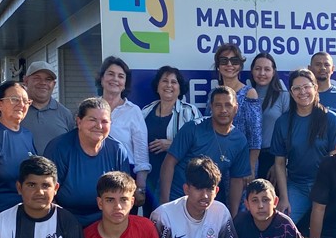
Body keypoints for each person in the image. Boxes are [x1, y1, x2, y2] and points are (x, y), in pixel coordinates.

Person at [44, 97, 133, 227]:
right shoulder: (59, 148)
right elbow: (47, 192)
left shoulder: (117, 150)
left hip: (107, 224)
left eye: (104, 121)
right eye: (92, 120)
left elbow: (125, 194)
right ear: (79, 121)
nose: (99, 126)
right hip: (65, 222)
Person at [161, 87, 250, 214]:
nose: (223, 110)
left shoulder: (240, 140)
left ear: (236, 108)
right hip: (178, 200)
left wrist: (233, 215)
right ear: (211, 107)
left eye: (228, 105)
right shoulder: (193, 128)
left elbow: (236, 180)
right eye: (218, 105)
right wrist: (165, 204)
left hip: (207, 204)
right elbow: (169, 163)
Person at [271, 69, 336, 229]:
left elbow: (334, 158)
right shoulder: (283, 122)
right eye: (296, 88)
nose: (302, 92)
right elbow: (279, 163)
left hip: (325, 185)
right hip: (297, 186)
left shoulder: (330, 118)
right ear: (291, 93)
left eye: (307, 87)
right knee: (280, 227)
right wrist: (284, 198)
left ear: (315, 88)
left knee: (331, 230)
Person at [151, 156, 237, 238]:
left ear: (216, 191)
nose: (205, 196)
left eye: (210, 189)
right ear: (186, 189)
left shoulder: (221, 212)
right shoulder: (163, 215)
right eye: (199, 188)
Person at [140, 66, 201, 213]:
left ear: (180, 88)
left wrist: (173, 146)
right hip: (149, 180)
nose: (169, 85)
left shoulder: (189, 112)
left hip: (178, 182)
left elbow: (201, 146)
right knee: (152, 221)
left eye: (174, 82)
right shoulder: (145, 111)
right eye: (164, 81)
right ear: (157, 86)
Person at [97, 57, 150, 209]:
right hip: (94, 174)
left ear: (125, 83)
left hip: (125, 178)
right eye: (110, 74)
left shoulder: (133, 111)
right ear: (102, 79)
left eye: (120, 76)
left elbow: (141, 151)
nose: (115, 79)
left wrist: (140, 188)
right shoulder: (92, 108)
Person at [0, 80, 37, 220]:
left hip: (25, 216)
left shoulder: (27, 135)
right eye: (15, 99)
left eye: (26, 101)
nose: (21, 105)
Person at [211, 43, 261, 185]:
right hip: (216, 162)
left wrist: (250, 166)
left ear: (240, 65)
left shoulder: (249, 93)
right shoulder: (213, 94)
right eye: (224, 61)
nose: (229, 65)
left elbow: (256, 135)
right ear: (218, 66)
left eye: (234, 61)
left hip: (241, 163)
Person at [17, 61, 77, 153]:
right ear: (26, 81)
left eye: (48, 79)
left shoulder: (65, 114)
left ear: (54, 84)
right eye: (37, 78)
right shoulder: (13, 109)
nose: (43, 83)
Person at [249, 53, 289, 179]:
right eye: (258, 68)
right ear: (252, 70)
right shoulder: (245, 95)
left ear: (273, 72)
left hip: (273, 157)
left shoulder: (283, 96)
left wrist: (280, 163)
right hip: (248, 157)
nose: (262, 73)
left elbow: (289, 132)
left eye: (267, 69)